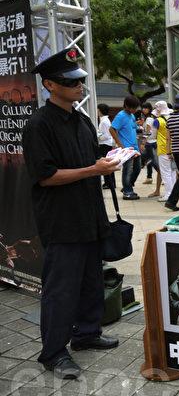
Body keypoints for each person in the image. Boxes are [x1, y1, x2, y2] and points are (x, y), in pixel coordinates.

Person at [22, 48, 120, 379]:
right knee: (61, 289)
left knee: (92, 280)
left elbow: (92, 158)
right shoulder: (38, 125)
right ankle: (53, 353)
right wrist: (92, 169)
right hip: (62, 222)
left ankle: (87, 334)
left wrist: (112, 157)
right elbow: (46, 176)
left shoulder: (81, 120)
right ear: (50, 85)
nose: (79, 87)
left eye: (79, 81)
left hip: (89, 215)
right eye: (70, 82)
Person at [110, 95, 142, 200]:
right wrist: (120, 145)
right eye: (133, 107)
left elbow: (133, 127)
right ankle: (127, 192)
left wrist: (139, 126)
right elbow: (112, 129)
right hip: (127, 148)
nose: (135, 110)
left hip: (135, 147)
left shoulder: (132, 116)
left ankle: (127, 186)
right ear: (127, 106)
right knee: (127, 170)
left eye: (136, 107)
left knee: (137, 168)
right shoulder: (121, 115)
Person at [152, 101, 176, 202]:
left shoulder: (157, 121)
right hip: (174, 148)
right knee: (173, 172)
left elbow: (153, 135)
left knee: (165, 172)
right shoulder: (173, 118)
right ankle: (174, 193)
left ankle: (168, 194)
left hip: (163, 149)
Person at [141, 102, 161, 197]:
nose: (144, 110)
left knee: (157, 165)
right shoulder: (151, 118)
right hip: (153, 142)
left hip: (150, 143)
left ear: (149, 109)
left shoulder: (149, 118)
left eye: (145, 108)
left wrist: (143, 142)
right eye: (143, 108)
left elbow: (148, 131)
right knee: (151, 162)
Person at [97, 103, 114, 189]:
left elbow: (106, 135)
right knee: (109, 163)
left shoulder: (104, 121)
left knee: (106, 164)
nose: (97, 111)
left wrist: (98, 136)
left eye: (98, 109)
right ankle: (110, 182)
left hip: (105, 144)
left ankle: (109, 183)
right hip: (107, 144)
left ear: (100, 110)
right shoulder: (105, 120)